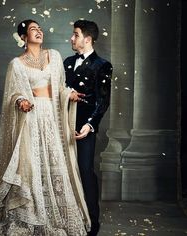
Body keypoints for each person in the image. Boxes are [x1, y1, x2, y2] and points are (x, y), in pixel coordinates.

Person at [0, 19, 91, 235]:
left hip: (51, 118)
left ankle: (58, 216)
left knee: (54, 163)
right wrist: (21, 102)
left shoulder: (53, 56)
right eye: (33, 29)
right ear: (23, 37)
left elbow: (60, 87)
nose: (39, 31)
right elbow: (13, 95)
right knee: (31, 166)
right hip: (31, 119)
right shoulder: (16, 64)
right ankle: (32, 217)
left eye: (40, 28)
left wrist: (69, 94)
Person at [63, 20, 113, 236]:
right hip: (61, 124)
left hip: (84, 128)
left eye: (75, 35)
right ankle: (67, 218)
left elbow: (103, 101)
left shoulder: (102, 65)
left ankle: (92, 222)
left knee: (84, 171)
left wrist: (90, 125)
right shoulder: (65, 62)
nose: (71, 39)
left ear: (87, 39)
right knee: (63, 172)